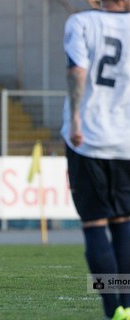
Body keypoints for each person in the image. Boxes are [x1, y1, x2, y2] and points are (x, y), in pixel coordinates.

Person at [61, 1, 130, 319]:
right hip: (125, 141)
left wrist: (75, 117)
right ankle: (127, 308)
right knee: (123, 223)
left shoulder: (81, 22)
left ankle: (112, 308)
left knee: (94, 225)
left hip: (87, 138)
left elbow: (77, 70)